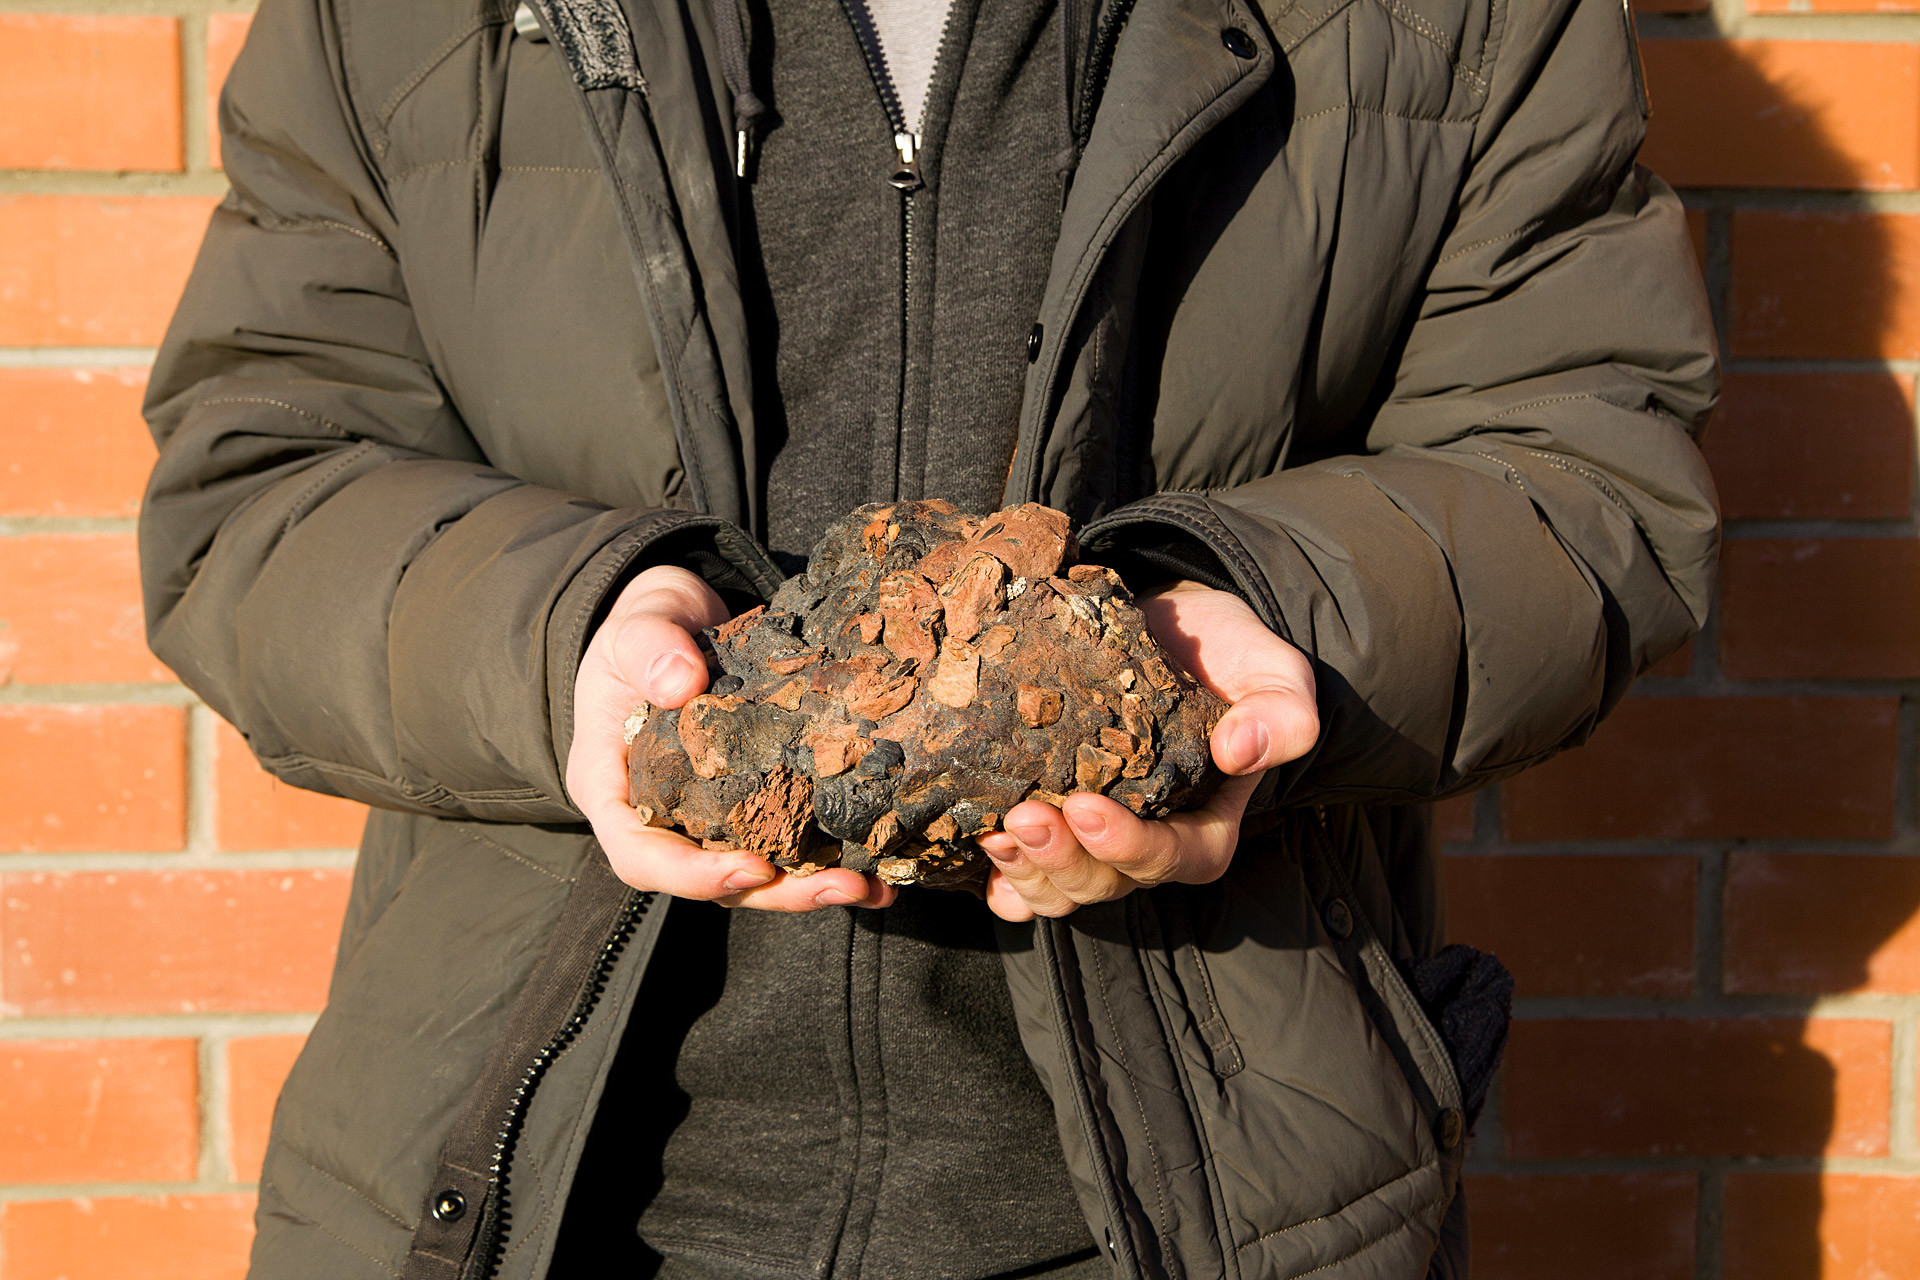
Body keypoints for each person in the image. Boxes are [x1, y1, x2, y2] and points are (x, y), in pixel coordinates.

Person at [137, 0, 1717, 1273]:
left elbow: (1587, 476)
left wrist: (1262, 629)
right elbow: (262, 484)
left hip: (1216, 1193)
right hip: (547, 1201)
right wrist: (559, 643)